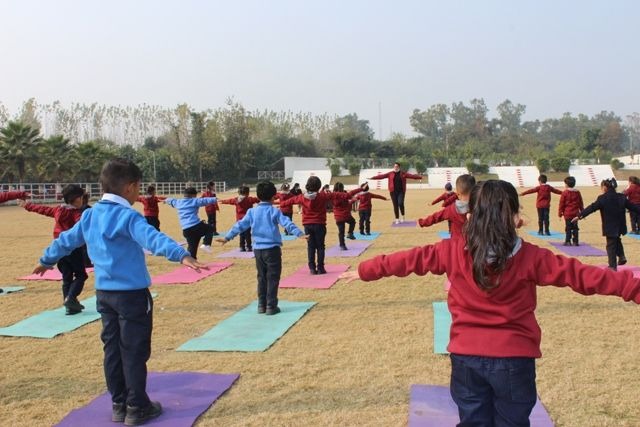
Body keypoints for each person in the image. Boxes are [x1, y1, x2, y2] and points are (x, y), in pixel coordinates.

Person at [340, 179, 640, 426]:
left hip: (466, 360)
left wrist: (365, 270)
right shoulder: (534, 257)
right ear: (515, 217)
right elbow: (585, 276)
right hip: (514, 361)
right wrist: (634, 289)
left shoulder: (452, 250)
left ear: (470, 216)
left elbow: (407, 260)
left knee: (473, 421)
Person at [31, 158, 205, 426]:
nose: (139, 193)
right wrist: (180, 254)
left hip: (104, 296)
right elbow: (153, 238)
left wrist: (47, 259)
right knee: (134, 351)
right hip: (132, 297)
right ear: (130, 188)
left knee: (112, 350)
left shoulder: (90, 215)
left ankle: (119, 404)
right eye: (138, 188)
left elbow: (66, 240)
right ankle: (137, 407)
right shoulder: (127, 216)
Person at [216, 181, 306, 314]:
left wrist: (227, 237)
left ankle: (261, 305)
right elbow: (287, 223)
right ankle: (271, 306)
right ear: (273, 197)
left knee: (261, 278)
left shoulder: (252, 212)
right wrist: (300, 234)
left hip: (258, 250)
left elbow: (239, 225)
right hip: (272, 250)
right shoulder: (274, 211)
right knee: (273, 278)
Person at [19, 184, 87, 314]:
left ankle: (69, 308)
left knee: (66, 277)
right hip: (73, 250)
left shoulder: (58, 210)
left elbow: (42, 209)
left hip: (58, 250)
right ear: (78, 199)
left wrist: (27, 206)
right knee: (81, 275)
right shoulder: (78, 214)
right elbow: (82, 226)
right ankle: (71, 298)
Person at [279, 177, 363, 274]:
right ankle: (320, 268)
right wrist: (361, 189)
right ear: (319, 186)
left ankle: (312, 268)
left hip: (307, 225)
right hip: (320, 225)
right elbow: (346, 195)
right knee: (320, 246)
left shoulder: (301, 197)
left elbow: (285, 203)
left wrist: (278, 201)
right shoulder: (323, 196)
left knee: (310, 247)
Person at [573, 178, 640, 271]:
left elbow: (592, 207)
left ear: (604, 187)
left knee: (610, 245)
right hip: (620, 225)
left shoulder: (602, 198)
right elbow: (634, 207)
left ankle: (612, 266)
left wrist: (580, 215)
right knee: (616, 240)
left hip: (610, 226)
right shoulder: (622, 197)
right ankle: (621, 256)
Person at [418, 174, 476, 240]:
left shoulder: (450, 208)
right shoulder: (481, 207)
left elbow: (435, 217)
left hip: (456, 243)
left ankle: (447, 235)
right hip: (474, 244)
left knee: (448, 231)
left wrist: (422, 222)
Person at [165, 187, 217, 258]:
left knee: (192, 247)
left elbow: (171, 200)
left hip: (186, 230)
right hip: (195, 226)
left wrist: (166, 200)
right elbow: (205, 200)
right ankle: (206, 244)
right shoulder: (194, 201)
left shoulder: (178, 202)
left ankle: (191, 262)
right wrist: (215, 199)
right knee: (210, 229)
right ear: (193, 195)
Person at [219, 186, 260, 251]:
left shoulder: (236, 200)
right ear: (248, 193)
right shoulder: (250, 199)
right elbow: (258, 199)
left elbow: (229, 201)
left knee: (241, 234)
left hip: (239, 220)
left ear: (238, 192)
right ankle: (249, 247)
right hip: (247, 220)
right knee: (247, 234)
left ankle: (241, 247)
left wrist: (222, 201)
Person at [558, 176, 583, 246]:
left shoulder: (565, 193)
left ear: (566, 184)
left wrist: (560, 213)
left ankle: (568, 241)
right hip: (575, 214)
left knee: (568, 227)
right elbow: (580, 202)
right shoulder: (577, 192)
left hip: (567, 214)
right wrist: (582, 212)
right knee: (575, 228)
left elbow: (561, 204)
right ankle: (576, 241)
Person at [332, 182, 357, 250]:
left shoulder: (332, 195)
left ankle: (342, 245)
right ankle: (350, 233)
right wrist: (352, 201)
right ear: (342, 188)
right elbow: (348, 205)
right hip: (346, 215)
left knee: (341, 232)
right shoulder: (344, 195)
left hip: (338, 217)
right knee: (353, 222)